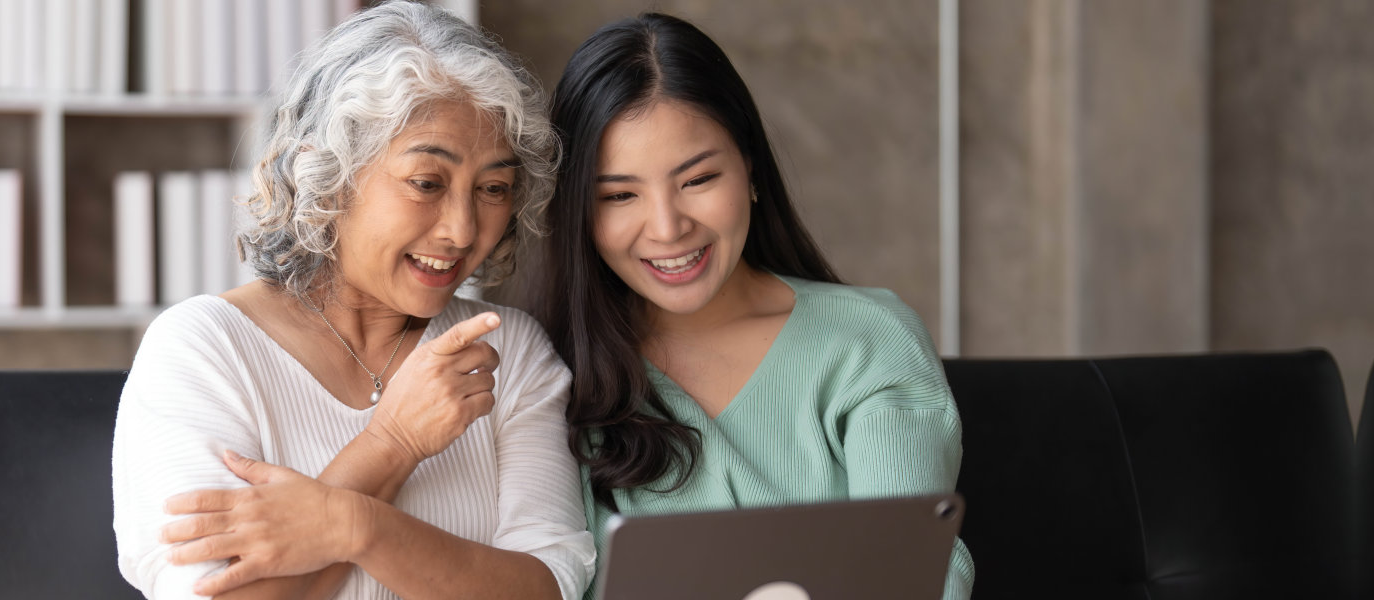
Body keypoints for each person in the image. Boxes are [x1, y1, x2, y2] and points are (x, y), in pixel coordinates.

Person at [111, 3, 591, 599]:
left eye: (494, 189)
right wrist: (392, 444)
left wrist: (353, 526)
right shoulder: (201, 350)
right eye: (426, 183)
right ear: (329, 175)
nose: (464, 230)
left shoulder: (508, 351)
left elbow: (548, 589)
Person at [533, 13, 975, 599]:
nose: (667, 228)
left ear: (752, 171)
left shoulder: (867, 341)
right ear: (579, 216)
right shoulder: (547, 376)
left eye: (697, 180)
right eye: (619, 195)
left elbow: (912, 576)